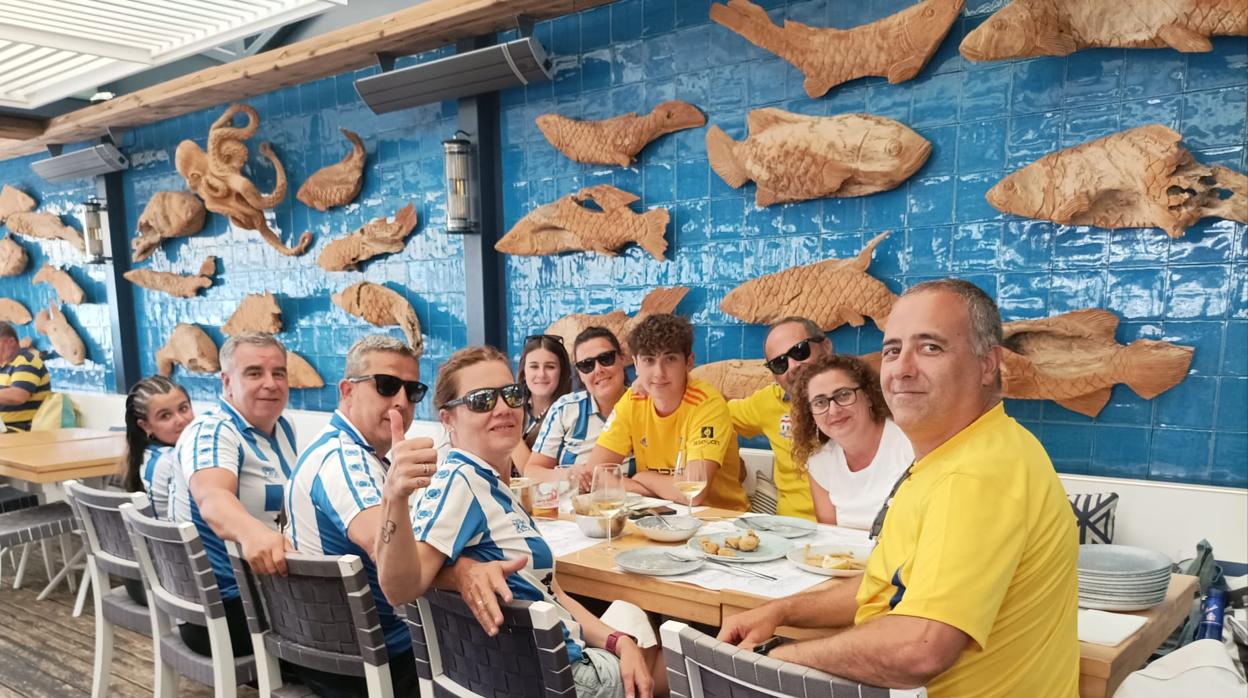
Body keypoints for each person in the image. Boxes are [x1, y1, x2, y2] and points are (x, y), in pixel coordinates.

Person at [718, 279, 1079, 697]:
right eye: (892, 351)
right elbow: (883, 583)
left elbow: (920, 650)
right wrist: (778, 612)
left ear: (987, 364)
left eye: (931, 348)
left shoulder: (975, 473)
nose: (903, 369)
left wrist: (783, 657)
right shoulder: (945, 457)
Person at [375, 345, 669, 698]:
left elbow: (549, 590)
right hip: (557, 677)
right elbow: (399, 587)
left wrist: (618, 642)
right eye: (482, 400)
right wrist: (393, 496)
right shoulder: (462, 483)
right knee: (688, 666)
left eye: (511, 395)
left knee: (634, 629)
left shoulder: (486, 483)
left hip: (504, 675)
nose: (503, 408)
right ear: (448, 418)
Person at [284, 335, 439, 697]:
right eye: (387, 386)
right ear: (347, 391)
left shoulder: (351, 452)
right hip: (373, 664)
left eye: (413, 390)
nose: (401, 400)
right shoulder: (345, 459)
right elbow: (389, 552)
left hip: (322, 651)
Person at [170, 332, 296, 658]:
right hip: (227, 612)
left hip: (266, 595)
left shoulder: (283, 428)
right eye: (254, 373)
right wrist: (252, 534)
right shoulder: (213, 430)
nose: (270, 383)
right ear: (227, 382)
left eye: (278, 373)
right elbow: (212, 498)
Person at [586, 314, 748, 511]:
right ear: (636, 364)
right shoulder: (632, 401)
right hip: (659, 518)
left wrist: (642, 478)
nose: (659, 373)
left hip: (722, 523)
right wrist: (657, 490)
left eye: (670, 359)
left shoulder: (707, 404)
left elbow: (693, 492)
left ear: (689, 362)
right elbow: (596, 473)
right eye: (649, 360)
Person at [789, 354, 913, 529]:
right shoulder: (820, 463)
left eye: (843, 395)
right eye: (820, 402)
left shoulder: (911, 444)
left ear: (869, 396)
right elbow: (831, 537)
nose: (833, 410)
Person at [728, 316, 831, 519]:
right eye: (779, 363)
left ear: (826, 346)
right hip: (788, 530)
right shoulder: (766, 403)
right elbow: (715, 412)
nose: (792, 366)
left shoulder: (859, 402)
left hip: (850, 531)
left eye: (799, 351)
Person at [525, 327, 633, 481]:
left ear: (622, 358)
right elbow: (532, 470)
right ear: (580, 374)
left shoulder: (643, 406)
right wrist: (568, 475)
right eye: (587, 365)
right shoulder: (565, 409)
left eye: (606, 358)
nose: (598, 370)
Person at [120, 375, 194, 520]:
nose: (180, 420)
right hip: (179, 539)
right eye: (165, 416)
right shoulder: (172, 460)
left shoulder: (146, 453)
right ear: (145, 426)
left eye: (183, 408)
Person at [511, 334, 572, 469]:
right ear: (524, 371)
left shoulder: (570, 414)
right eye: (534, 367)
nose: (541, 374)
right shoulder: (512, 407)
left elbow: (533, 475)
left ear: (562, 372)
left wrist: (509, 432)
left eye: (550, 367)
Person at [0, 322, 52, 432]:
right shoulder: (3, 366)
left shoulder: (27, 362)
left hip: (18, 429)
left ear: (11, 342)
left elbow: (18, 396)